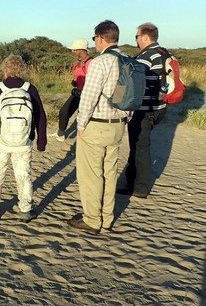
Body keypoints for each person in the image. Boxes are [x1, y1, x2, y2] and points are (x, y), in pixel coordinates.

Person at [68, 20, 131, 235]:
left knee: (91, 175)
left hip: (96, 125)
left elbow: (89, 96)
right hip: (118, 125)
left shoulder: (101, 62)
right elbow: (125, 95)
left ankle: (93, 219)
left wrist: (81, 124)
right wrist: (125, 117)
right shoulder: (126, 60)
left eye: (95, 38)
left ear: (101, 38)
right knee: (109, 173)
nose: (94, 41)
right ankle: (106, 218)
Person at [0, 55, 47, 221]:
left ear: (5, 69)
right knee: (24, 175)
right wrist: (41, 142)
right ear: (22, 70)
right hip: (24, 142)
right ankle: (26, 210)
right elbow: (41, 117)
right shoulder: (30, 88)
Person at [117, 23, 167, 198]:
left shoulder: (146, 56)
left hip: (145, 109)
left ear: (145, 37)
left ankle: (140, 187)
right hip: (159, 107)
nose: (136, 40)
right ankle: (132, 181)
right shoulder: (164, 52)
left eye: (136, 36)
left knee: (140, 147)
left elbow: (134, 83)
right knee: (139, 145)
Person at [55, 38, 92, 141]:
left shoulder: (91, 63)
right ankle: (60, 133)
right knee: (64, 111)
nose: (72, 51)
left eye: (74, 49)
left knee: (83, 116)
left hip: (86, 94)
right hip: (77, 92)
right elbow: (76, 77)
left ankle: (82, 138)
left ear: (81, 49)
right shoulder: (78, 62)